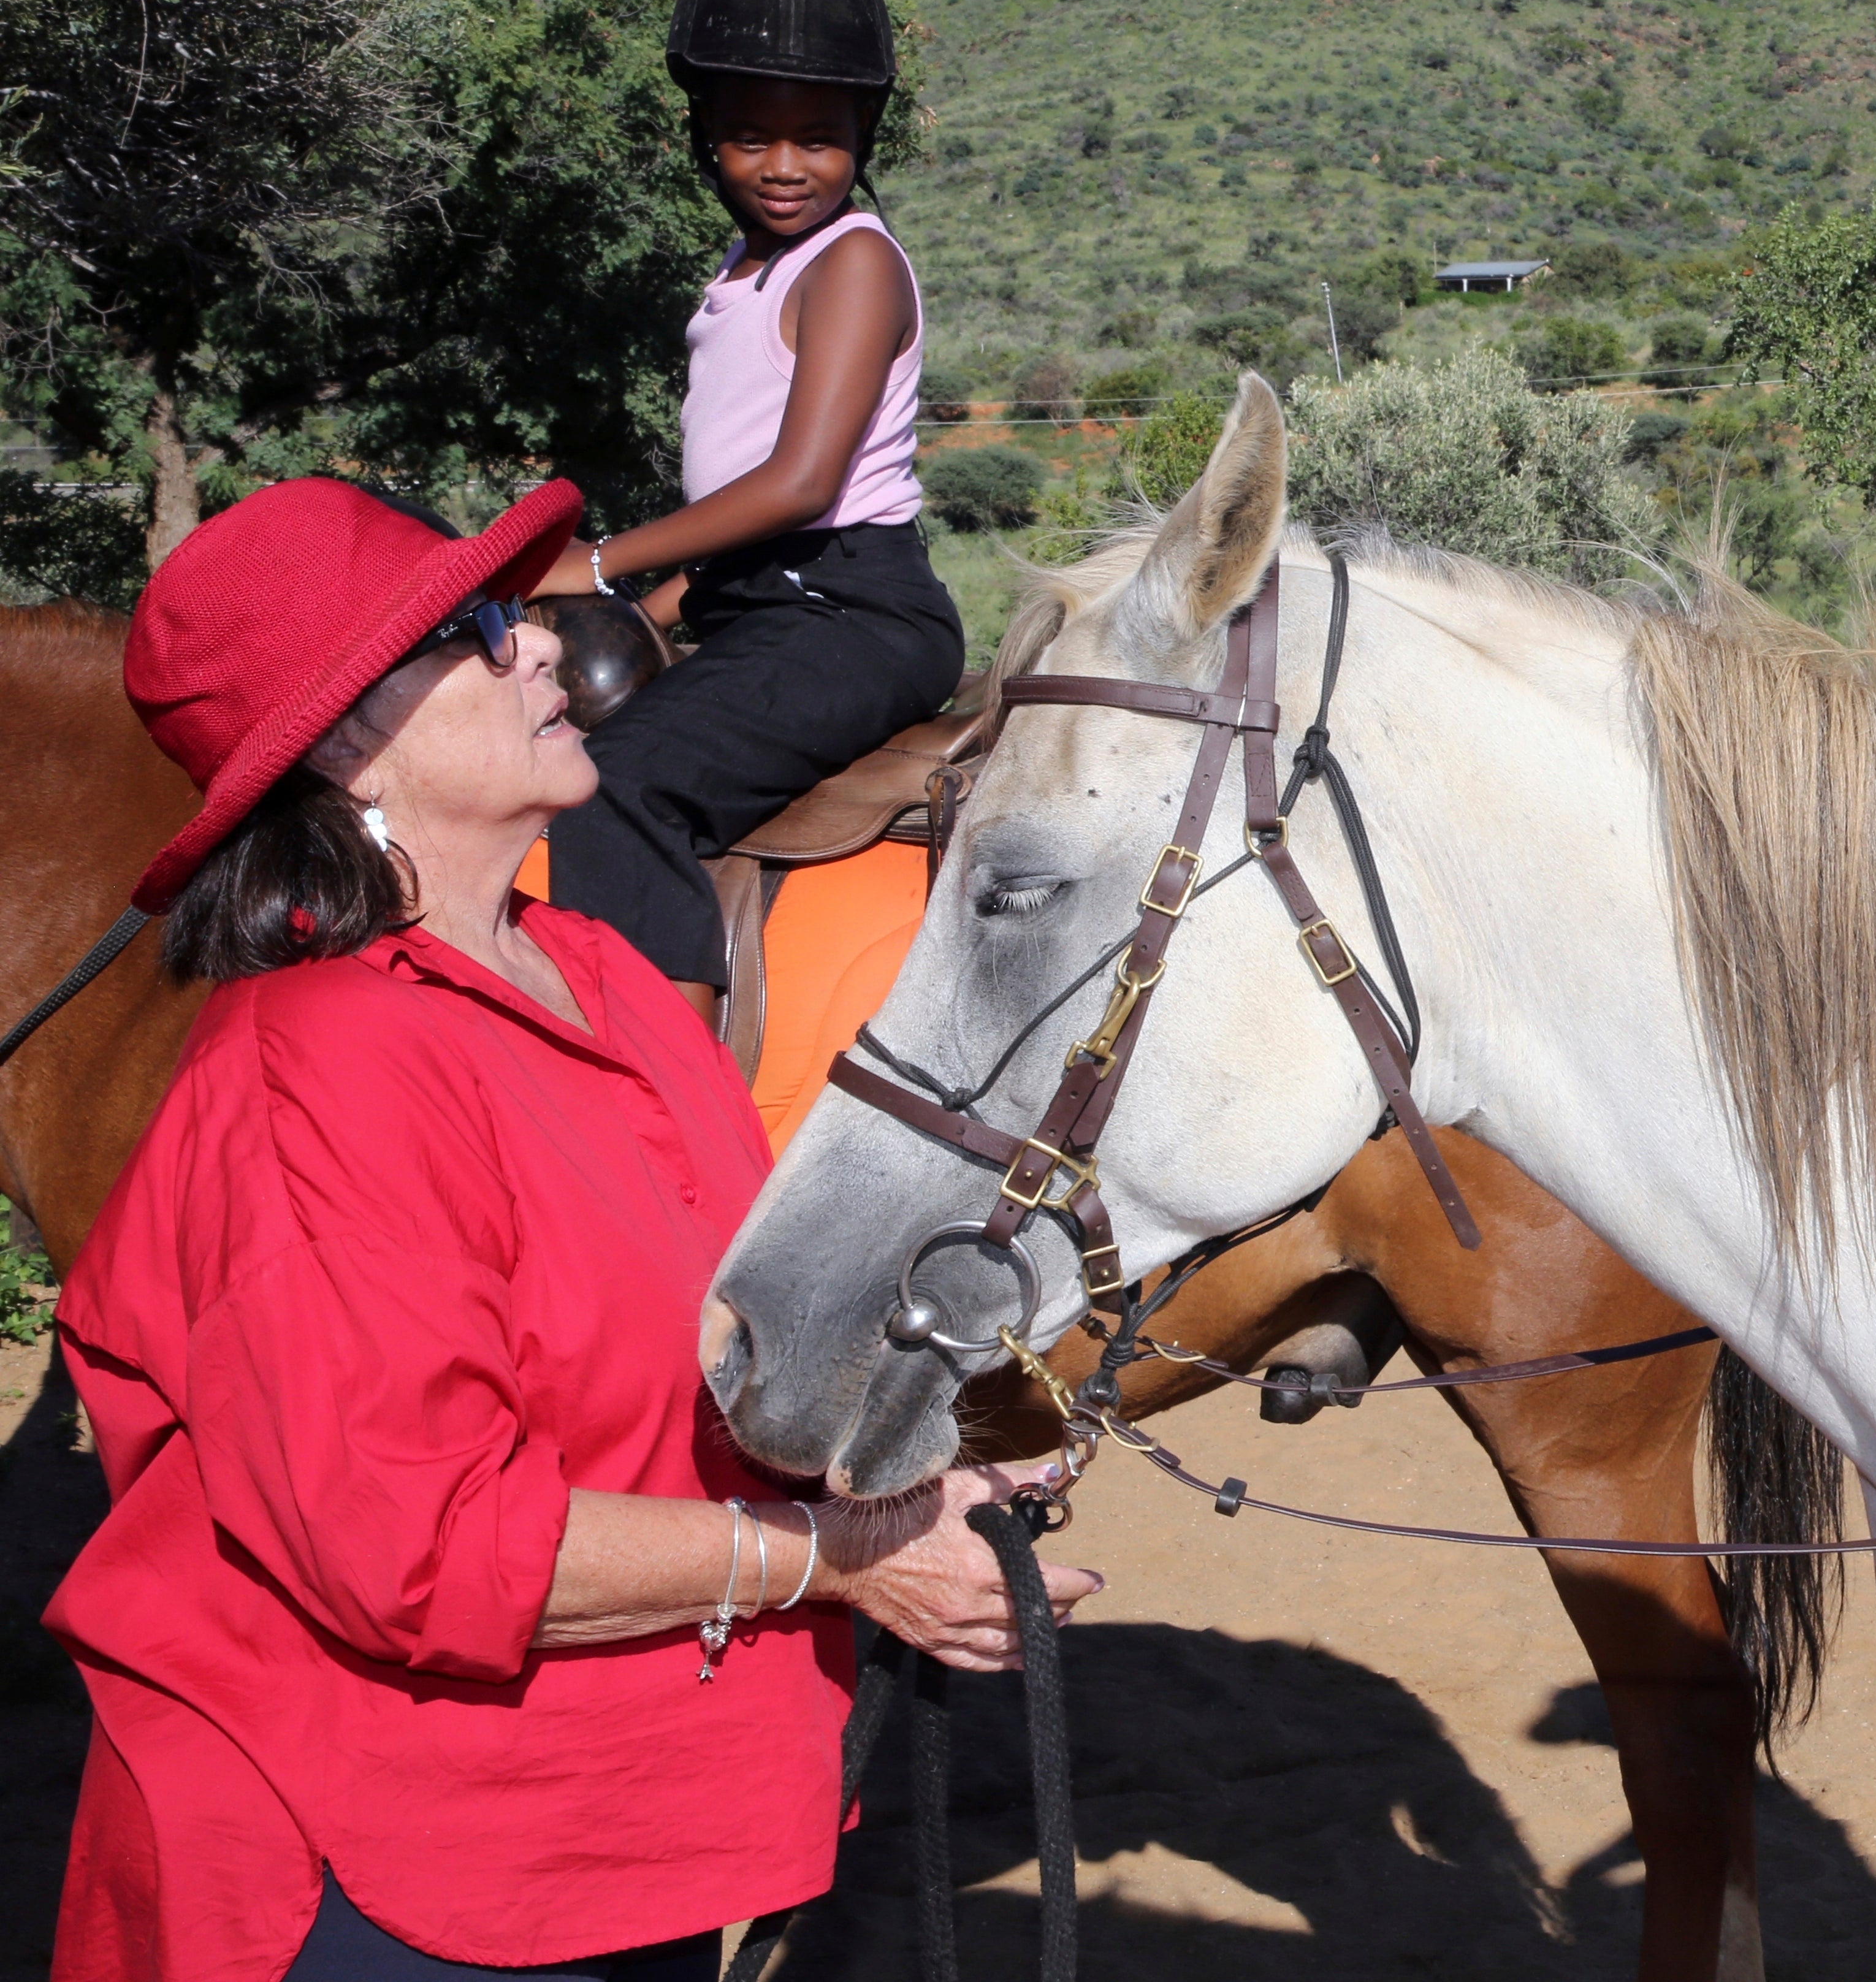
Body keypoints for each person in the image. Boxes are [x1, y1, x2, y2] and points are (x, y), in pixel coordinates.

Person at [54, 478, 1100, 1980]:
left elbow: (708, 1362)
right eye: (477, 632)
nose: (544, 644)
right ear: (344, 743)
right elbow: (424, 1550)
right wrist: (843, 1556)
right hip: (387, 1870)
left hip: (614, 1839)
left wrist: (923, 1475)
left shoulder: (607, 978)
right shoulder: (316, 1067)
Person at [538, 0, 964, 1024]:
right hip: (769, 601)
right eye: (750, 138)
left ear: (862, 136)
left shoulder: (853, 261)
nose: (783, 166)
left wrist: (599, 565)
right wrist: (656, 607)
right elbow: (755, 533)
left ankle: (660, 1092)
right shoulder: (745, 269)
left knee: (615, 792)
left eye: (818, 139)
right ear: (706, 139)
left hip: (853, 615)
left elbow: (803, 486)